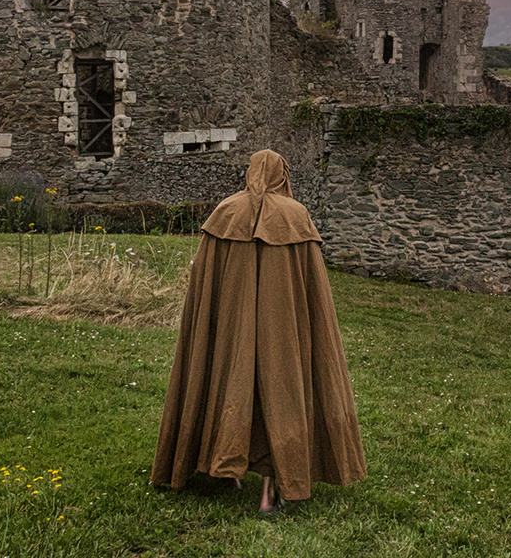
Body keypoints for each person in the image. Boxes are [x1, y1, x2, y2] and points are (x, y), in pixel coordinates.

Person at [151, 149, 366, 514]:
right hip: (284, 332)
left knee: (225, 379)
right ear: (283, 175)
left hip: (230, 331)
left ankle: (225, 468)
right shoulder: (296, 217)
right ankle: (270, 492)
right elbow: (313, 293)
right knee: (281, 393)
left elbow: (205, 286)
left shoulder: (225, 214)